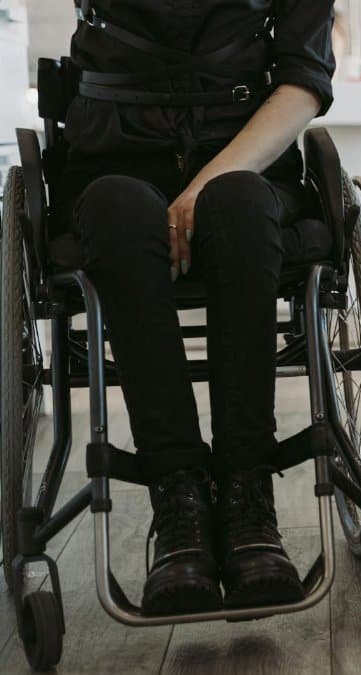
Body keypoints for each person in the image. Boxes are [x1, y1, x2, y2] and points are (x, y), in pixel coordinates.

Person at [60, 0, 335, 613]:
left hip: (244, 160)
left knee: (238, 202)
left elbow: (304, 81)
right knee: (118, 210)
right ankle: (177, 497)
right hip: (116, 159)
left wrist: (203, 183)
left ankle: (247, 495)